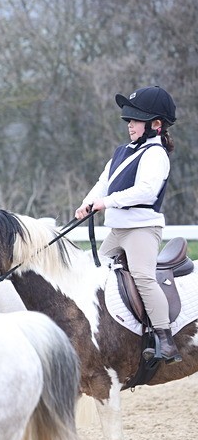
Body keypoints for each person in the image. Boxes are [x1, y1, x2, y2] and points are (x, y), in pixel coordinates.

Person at [75, 85, 180, 363]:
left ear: (156, 124)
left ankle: (165, 339)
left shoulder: (156, 155)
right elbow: (103, 182)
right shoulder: (123, 151)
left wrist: (107, 202)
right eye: (129, 119)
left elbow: (146, 191)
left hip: (142, 229)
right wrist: (88, 203)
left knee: (143, 277)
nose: (130, 124)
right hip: (118, 230)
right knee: (90, 271)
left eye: (135, 119)